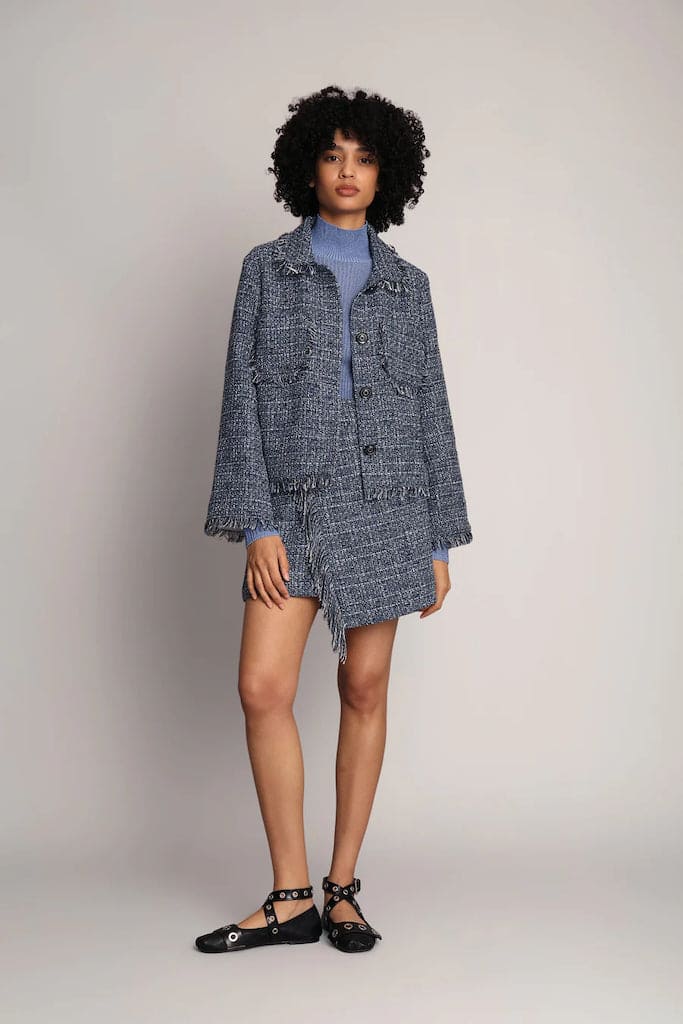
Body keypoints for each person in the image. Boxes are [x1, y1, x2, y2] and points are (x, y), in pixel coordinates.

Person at [195, 85, 473, 955]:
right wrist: (257, 524)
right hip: (292, 503)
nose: (347, 171)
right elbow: (240, 398)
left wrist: (437, 539)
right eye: (331, 154)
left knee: (363, 688)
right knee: (263, 687)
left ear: (387, 174)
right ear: (306, 167)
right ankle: (290, 896)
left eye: (364, 158)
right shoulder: (266, 269)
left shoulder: (408, 286)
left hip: (387, 504)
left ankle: (341, 887)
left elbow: (430, 409)